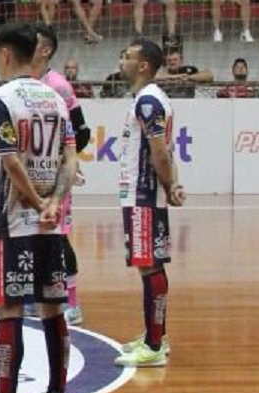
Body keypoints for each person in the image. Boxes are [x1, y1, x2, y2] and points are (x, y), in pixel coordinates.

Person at [0, 23, 79, 393]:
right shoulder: (57, 98)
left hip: (14, 221)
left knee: (8, 308)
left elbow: (10, 162)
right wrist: (53, 204)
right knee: (53, 306)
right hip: (51, 222)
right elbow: (71, 160)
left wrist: (32, 203)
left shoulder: (1, 98)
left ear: (6, 54)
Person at [111, 36, 185, 372]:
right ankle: (157, 335)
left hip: (143, 194)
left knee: (149, 266)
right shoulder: (150, 99)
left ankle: (154, 345)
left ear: (142, 65)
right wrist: (173, 184)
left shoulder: (148, 102)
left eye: (126, 56)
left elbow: (159, 151)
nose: (121, 61)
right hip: (144, 194)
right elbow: (167, 149)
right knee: (150, 264)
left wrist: (170, 186)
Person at [32, 22, 94, 324]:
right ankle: (37, 294)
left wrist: (63, 160)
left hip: (54, 175)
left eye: (34, 42)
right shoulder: (24, 81)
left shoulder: (58, 85)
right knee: (32, 234)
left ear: (45, 50)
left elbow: (82, 133)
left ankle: (72, 301)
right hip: (31, 174)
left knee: (58, 237)